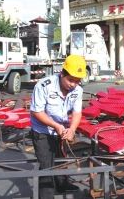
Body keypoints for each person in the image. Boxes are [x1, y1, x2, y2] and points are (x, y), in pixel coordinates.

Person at [30, 54, 86, 197]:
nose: (73, 84)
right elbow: (37, 112)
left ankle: (62, 184)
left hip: (62, 129)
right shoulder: (43, 86)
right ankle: (46, 194)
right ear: (62, 74)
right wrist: (55, 125)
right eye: (70, 80)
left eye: (77, 81)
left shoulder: (77, 90)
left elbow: (77, 112)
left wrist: (72, 129)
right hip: (42, 130)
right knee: (46, 166)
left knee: (62, 159)